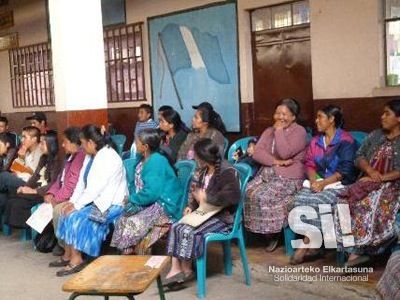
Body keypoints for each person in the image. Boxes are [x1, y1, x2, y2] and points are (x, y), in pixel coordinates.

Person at [51, 125, 127, 276]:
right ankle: (70, 255)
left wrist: (77, 206)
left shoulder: (107, 157)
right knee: (67, 213)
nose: (82, 147)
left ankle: (76, 259)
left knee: (76, 217)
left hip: (111, 205)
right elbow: (84, 185)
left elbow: (95, 189)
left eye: (83, 143)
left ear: (91, 143)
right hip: (98, 201)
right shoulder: (95, 155)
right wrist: (73, 203)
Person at [164, 138, 240, 288]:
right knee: (176, 226)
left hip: (221, 218)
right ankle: (177, 268)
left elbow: (233, 196)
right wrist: (190, 207)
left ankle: (185, 269)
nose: (194, 158)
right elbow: (196, 194)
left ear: (204, 157)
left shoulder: (227, 171)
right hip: (204, 213)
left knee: (188, 230)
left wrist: (207, 197)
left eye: (197, 156)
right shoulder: (204, 170)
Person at [335, 100, 400, 267]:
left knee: (369, 203)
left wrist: (377, 179)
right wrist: (370, 172)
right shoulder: (376, 135)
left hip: (392, 186)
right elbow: (359, 156)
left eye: (387, 113)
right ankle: (351, 253)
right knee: (343, 201)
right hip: (368, 181)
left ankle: (362, 253)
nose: (382, 116)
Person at [290, 105, 357, 264]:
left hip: (340, 184)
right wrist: (314, 181)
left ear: (332, 119)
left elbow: (346, 170)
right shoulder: (315, 141)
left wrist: (324, 183)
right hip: (319, 182)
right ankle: (315, 245)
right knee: (298, 200)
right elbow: (309, 164)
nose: (316, 120)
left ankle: (306, 244)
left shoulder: (345, 141)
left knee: (319, 201)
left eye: (320, 117)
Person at [111, 129, 183, 254]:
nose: (134, 144)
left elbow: (152, 193)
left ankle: (132, 256)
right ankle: (127, 254)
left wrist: (132, 199)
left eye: (137, 142)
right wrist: (132, 200)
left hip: (163, 205)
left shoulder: (156, 161)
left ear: (145, 147)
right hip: (148, 202)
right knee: (122, 218)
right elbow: (136, 185)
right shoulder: (142, 158)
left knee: (132, 223)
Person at [4, 132, 60, 229]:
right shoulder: (43, 157)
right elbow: (35, 176)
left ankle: (28, 227)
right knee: (12, 198)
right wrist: (26, 187)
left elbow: (53, 184)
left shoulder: (57, 161)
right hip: (36, 187)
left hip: (46, 192)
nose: (40, 146)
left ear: (51, 144)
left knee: (18, 203)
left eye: (43, 143)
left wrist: (33, 191)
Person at [45, 127, 86, 256]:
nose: (62, 145)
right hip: (64, 195)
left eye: (65, 142)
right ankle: (59, 242)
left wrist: (56, 199)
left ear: (75, 143)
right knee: (47, 206)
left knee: (58, 210)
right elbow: (59, 180)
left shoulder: (80, 157)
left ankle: (63, 245)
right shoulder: (69, 157)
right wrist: (51, 193)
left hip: (75, 197)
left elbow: (71, 186)